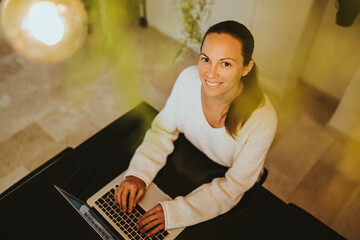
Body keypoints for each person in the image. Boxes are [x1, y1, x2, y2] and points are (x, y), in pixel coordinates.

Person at [114, 20, 277, 236]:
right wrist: (138, 175)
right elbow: (163, 130)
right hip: (188, 158)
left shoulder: (262, 120)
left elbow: (235, 185)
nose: (211, 73)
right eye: (206, 59)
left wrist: (176, 213)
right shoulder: (188, 80)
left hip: (227, 179)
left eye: (225, 64)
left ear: (246, 67)